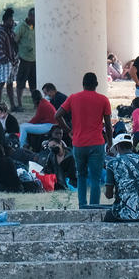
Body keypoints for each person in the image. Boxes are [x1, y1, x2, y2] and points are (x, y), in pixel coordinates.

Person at [56, 71, 113, 208]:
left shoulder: (73, 98)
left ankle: (82, 205)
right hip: (97, 144)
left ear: (83, 85)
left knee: (81, 176)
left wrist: (69, 130)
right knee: (95, 178)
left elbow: (57, 115)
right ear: (97, 84)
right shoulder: (103, 100)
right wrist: (110, 142)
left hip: (79, 144)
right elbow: (109, 125)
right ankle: (94, 207)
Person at [103, 133, 139, 223]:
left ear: (117, 147)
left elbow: (109, 195)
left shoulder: (112, 163)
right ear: (131, 147)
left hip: (120, 215)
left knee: (108, 216)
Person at [0, 10, 19, 111]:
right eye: (10, 21)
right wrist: (5, 60)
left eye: (12, 21)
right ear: (5, 21)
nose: (12, 23)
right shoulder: (0, 32)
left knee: (10, 84)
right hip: (5, 62)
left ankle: (12, 105)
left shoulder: (9, 32)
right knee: (2, 83)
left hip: (11, 61)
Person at [14, 8, 37, 105]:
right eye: (34, 16)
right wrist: (18, 53)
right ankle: (19, 103)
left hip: (34, 59)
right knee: (21, 83)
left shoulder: (34, 25)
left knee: (33, 83)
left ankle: (36, 103)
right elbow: (14, 40)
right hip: (24, 58)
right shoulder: (21, 26)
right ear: (30, 16)